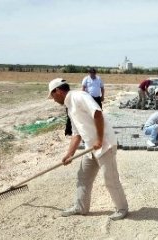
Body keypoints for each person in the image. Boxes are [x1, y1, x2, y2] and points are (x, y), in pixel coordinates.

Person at [48, 78, 128, 221]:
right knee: (83, 177)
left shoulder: (79, 96)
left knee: (110, 178)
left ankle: (122, 209)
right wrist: (69, 154)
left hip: (105, 144)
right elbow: (76, 134)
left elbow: (97, 113)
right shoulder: (70, 107)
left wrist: (99, 139)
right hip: (91, 147)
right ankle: (81, 207)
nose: (53, 99)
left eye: (52, 95)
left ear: (58, 91)